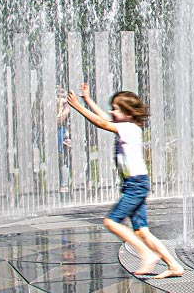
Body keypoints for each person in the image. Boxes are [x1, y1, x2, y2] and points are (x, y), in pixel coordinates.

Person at [66, 84, 183, 279]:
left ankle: (146, 253)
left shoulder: (128, 128)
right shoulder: (128, 126)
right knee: (142, 232)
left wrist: (78, 107)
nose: (112, 112)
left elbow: (102, 123)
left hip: (135, 185)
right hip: (135, 184)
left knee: (111, 222)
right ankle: (173, 265)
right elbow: (105, 118)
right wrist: (87, 100)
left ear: (128, 113)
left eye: (116, 109)